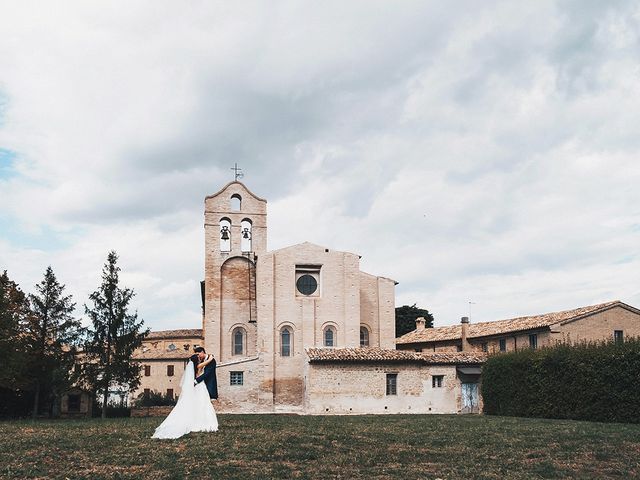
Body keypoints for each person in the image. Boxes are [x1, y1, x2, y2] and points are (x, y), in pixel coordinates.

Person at [151, 353, 219, 439]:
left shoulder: (196, 366)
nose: (199, 357)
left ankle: (198, 421)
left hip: (199, 385)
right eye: (198, 357)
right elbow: (207, 363)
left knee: (200, 403)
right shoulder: (199, 366)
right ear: (196, 360)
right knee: (203, 404)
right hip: (200, 386)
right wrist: (210, 358)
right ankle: (204, 422)